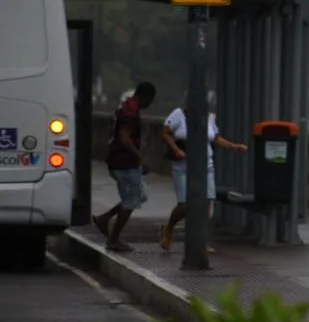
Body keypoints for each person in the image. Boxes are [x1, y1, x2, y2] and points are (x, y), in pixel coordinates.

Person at [158, 94, 247, 252]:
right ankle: (169, 228)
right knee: (185, 204)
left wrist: (233, 147)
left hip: (206, 164)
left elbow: (216, 138)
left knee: (207, 205)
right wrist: (176, 149)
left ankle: (199, 240)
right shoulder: (178, 115)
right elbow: (165, 132)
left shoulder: (209, 118)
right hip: (183, 165)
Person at [92, 81, 157, 252]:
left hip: (124, 161)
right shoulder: (130, 111)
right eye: (150, 101)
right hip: (123, 162)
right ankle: (113, 239)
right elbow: (124, 137)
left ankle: (105, 219)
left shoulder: (128, 106)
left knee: (139, 196)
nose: (149, 105)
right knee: (131, 201)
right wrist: (141, 157)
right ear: (145, 96)